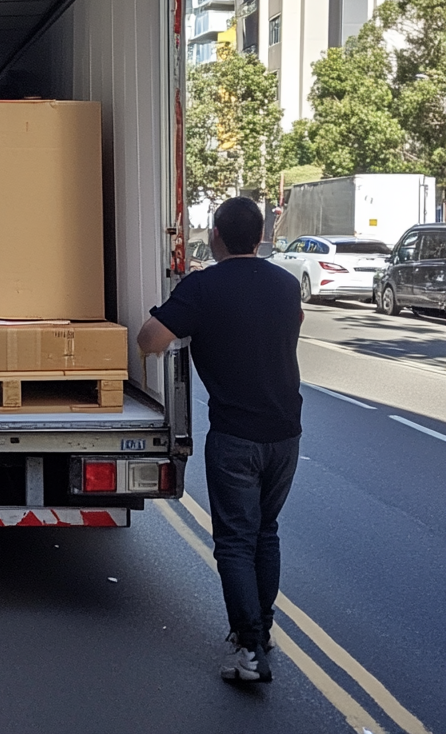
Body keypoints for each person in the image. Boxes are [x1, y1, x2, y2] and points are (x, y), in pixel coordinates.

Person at [137, 196, 303, 684]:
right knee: (265, 532)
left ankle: (248, 649)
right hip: (286, 433)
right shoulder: (285, 283)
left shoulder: (204, 287)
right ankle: (261, 633)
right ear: (261, 237)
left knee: (234, 542)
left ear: (215, 236)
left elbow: (150, 340)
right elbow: (293, 325)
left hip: (236, 437)